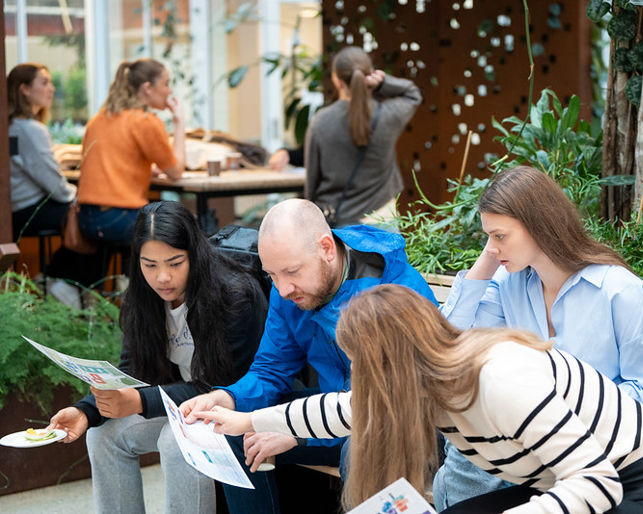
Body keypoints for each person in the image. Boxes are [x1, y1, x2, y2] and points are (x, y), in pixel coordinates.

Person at [193, 284, 643, 513]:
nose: (359, 381)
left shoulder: (500, 379)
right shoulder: (424, 378)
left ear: (389, 362)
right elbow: (340, 410)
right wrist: (241, 419)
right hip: (563, 484)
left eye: (363, 366)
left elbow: (598, 482)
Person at [434, 165, 643, 509]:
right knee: (462, 454)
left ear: (538, 227)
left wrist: (561, 425)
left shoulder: (618, 292)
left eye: (500, 236)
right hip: (535, 456)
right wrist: (487, 263)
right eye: (488, 237)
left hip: (615, 463)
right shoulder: (510, 284)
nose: (491, 248)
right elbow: (447, 343)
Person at [180, 198, 437, 513]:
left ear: (327, 248)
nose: (283, 289)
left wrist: (297, 433)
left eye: (291, 272)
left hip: (397, 420)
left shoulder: (394, 286)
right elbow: (271, 369)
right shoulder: (289, 289)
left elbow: (394, 403)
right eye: (271, 275)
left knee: (358, 450)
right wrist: (227, 399)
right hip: (331, 412)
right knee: (233, 430)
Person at [47, 201, 267, 513]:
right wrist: (86, 411)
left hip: (235, 407)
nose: (162, 277)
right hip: (183, 407)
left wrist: (138, 401)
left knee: (175, 441)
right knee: (104, 435)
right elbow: (132, 369)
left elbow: (221, 385)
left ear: (195, 254)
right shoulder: (143, 297)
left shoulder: (233, 295)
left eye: (175, 263)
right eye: (150, 265)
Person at [7, 63, 101, 301]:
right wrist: (80, 196)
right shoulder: (30, 130)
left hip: (15, 212)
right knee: (95, 219)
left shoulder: (11, 126)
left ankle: (56, 280)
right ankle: (68, 287)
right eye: (44, 82)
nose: (52, 88)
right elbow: (56, 187)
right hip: (30, 210)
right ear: (24, 90)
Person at [304, 46, 421, 227]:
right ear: (369, 75)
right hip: (382, 221)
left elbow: (312, 180)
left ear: (337, 80)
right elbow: (413, 94)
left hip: (338, 224)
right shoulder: (389, 115)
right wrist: (383, 82)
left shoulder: (320, 122)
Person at [77, 58, 186, 246]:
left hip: (87, 219)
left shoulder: (98, 119)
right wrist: (179, 122)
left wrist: (142, 169)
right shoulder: (144, 121)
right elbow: (175, 171)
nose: (169, 91)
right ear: (147, 88)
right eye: (166, 84)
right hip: (120, 218)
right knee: (184, 230)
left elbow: (110, 160)